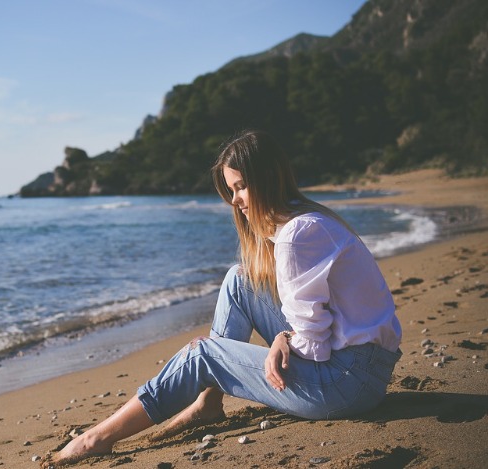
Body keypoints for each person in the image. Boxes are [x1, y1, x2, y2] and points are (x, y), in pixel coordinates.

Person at [44, 129, 402, 467]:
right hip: (362, 369)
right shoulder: (308, 221)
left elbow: (315, 347)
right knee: (239, 280)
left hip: (346, 384)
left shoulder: (296, 236)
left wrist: (284, 338)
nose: (235, 200)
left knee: (202, 354)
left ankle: (98, 437)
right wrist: (287, 338)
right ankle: (208, 402)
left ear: (267, 179)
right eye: (232, 189)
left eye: (242, 187)